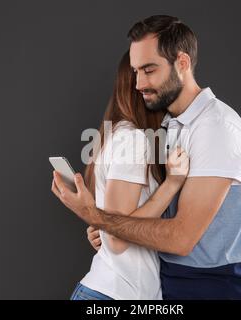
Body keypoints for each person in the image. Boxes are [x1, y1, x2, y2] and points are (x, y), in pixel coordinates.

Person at [52, 15, 241, 299]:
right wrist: (110, 230)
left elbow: (180, 238)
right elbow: (145, 219)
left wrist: (101, 219)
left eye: (149, 70)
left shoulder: (216, 128)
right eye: (135, 71)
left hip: (218, 287)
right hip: (171, 286)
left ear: (182, 63)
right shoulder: (165, 126)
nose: (139, 83)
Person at [53, 51, 190, 300]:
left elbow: (114, 225)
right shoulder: (132, 139)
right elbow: (117, 239)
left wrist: (101, 228)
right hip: (115, 295)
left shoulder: (119, 133)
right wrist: (171, 184)